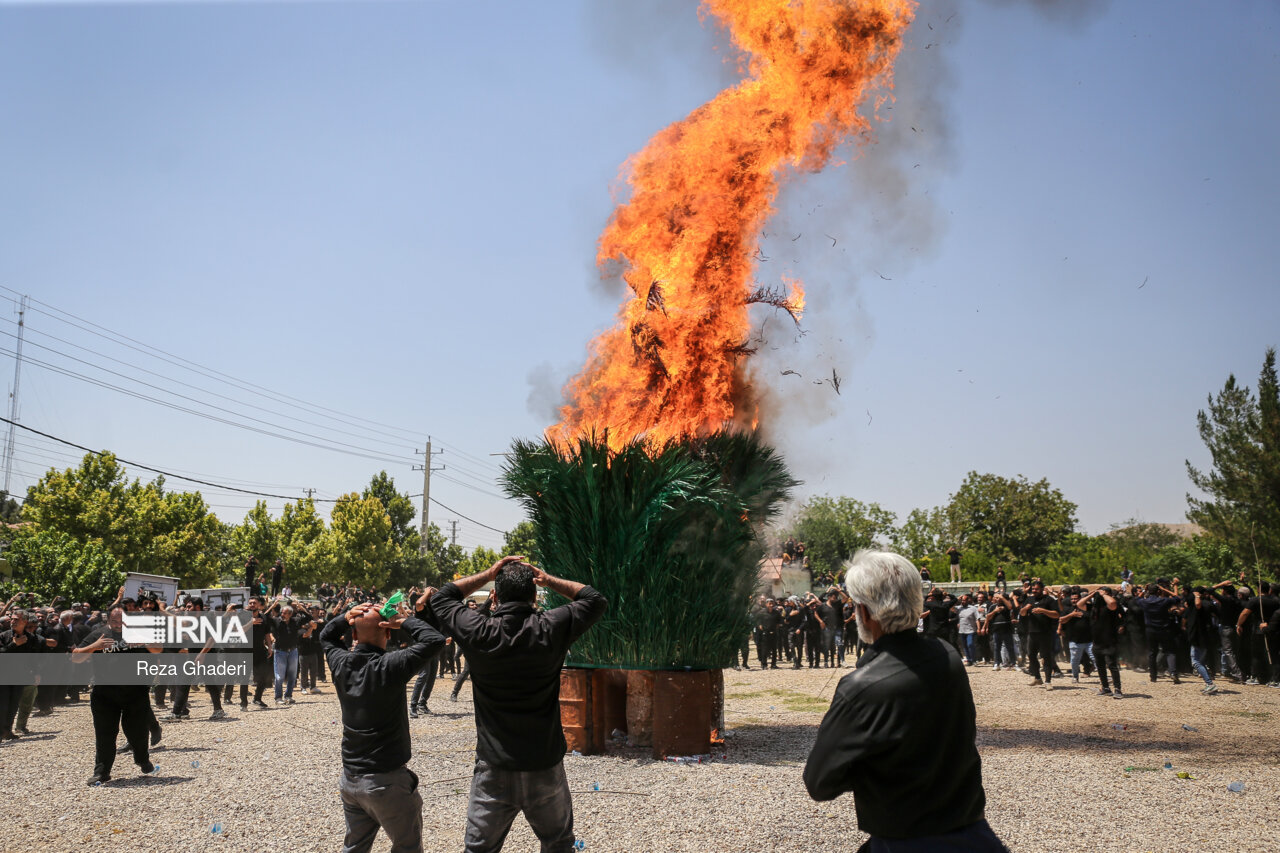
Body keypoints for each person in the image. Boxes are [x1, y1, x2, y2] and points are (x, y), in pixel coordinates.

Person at [803, 550, 1007, 852]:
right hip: (973, 832)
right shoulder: (946, 655)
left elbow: (819, 782)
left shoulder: (861, 687)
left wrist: (876, 765)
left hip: (906, 840)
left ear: (865, 612)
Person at [430, 555, 607, 853]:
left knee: (479, 848)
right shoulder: (551, 626)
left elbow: (443, 597)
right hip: (543, 762)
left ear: (495, 597)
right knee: (558, 844)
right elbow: (594, 598)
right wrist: (549, 578)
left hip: (494, 764)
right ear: (535, 595)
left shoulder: (478, 630)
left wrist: (488, 573)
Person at [322, 593, 445, 853]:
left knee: (355, 846)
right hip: (386, 781)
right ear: (388, 633)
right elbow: (434, 640)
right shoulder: (391, 665)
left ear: (353, 636)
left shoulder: (341, 663)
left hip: (351, 778)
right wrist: (402, 620)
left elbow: (326, 636)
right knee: (407, 847)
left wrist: (345, 618)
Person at [72, 606, 159, 785]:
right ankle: (101, 772)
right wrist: (94, 647)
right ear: (108, 621)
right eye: (114, 622)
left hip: (135, 692)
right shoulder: (99, 634)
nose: (118, 625)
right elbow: (76, 657)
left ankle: (142, 759)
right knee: (104, 734)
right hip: (105, 694)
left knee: (138, 731)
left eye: (122, 622)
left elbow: (158, 649)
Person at [1020, 581, 1059, 689]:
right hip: (1032, 632)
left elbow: (1056, 615)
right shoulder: (1029, 599)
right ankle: (1037, 678)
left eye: (1036, 589)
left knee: (1046, 657)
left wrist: (1043, 611)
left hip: (1045, 633)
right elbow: (1022, 613)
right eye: (1033, 589)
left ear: (1042, 589)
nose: (1034, 591)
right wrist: (1025, 608)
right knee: (1031, 656)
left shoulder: (1049, 600)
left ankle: (1048, 681)